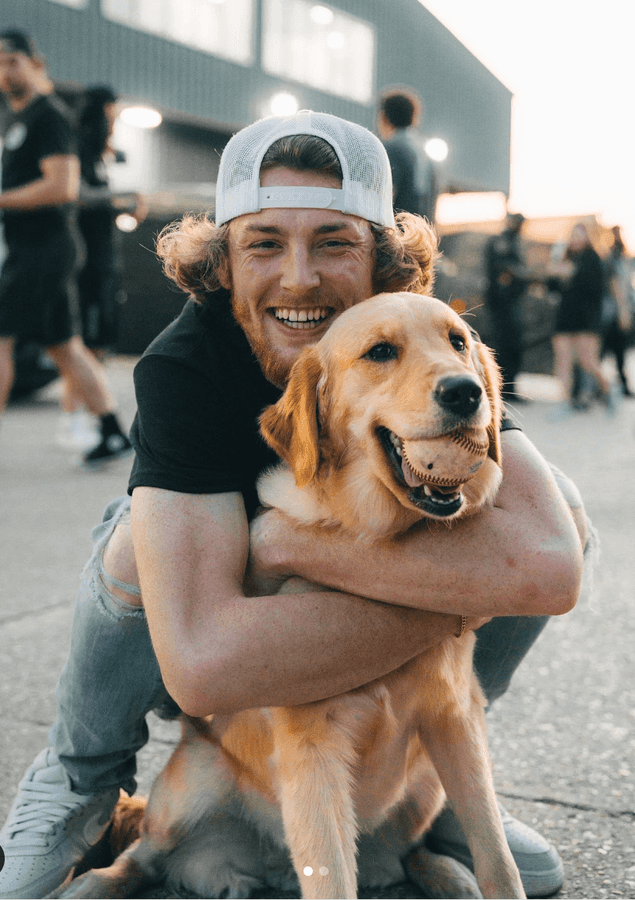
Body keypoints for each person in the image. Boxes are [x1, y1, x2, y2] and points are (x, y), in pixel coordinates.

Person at [0, 110, 586, 900]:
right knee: (132, 539)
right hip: (221, 637)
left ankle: (419, 759)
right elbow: (203, 669)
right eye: (265, 243)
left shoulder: (420, 338)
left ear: (381, 259)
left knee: (559, 508)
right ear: (223, 260)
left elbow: (550, 567)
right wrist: (471, 594)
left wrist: (291, 546)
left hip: (323, 623)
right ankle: (80, 778)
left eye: (335, 242)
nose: (300, 277)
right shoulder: (186, 361)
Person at [0, 30, 132, 465]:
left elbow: (63, 186)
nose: (4, 70)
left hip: (45, 247)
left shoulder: (48, 115)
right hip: (31, 248)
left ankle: (107, 428)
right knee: (64, 346)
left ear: (34, 62)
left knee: (1, 339)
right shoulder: (14, 118)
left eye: (12, 59)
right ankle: (112, 431)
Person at [58, 84, 146, 450]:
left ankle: (83, 418)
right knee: (79, 344)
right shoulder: (77, 144)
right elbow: (75, 194)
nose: (115, 120)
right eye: (113, 111)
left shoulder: (99, 153)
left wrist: (120, 205)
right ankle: (80, 419)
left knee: (84, 345)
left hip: (101, 258)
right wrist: (123, 198)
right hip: (84, 261)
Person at [548, 222, 613, 411]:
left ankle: (608, 389)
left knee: (588, 361)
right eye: (573, 235)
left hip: (585, 317)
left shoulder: (593, 258)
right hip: (565, 316)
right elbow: (552, 288)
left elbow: (597, 289)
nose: (575, 239)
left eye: (579, 235)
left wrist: (573, 273)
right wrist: (555, 273)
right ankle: (564, 401)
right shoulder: (564, 256)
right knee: (563, 359)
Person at [484, 212, 530, 403]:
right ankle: (502, 389)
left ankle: (509, 388)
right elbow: (503, 268)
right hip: (502, 302)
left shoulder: (514, 242)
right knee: (505, 344)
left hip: (512, 301)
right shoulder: (502, 241)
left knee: (513, 345)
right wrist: (524, 274)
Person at [377, 87, 439, 224]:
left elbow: (382, 198)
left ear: (384, 116)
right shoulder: (426, 154)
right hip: (420, 235)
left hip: (397, 235)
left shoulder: (391, 150)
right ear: (414, 117)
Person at [601, 225, 633, 397]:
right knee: (609, 351)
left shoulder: (621, 257)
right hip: (611, 314)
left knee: (616, 352)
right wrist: (623, 311)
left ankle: (617, 385)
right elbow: (615, 286)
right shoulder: (612, 257)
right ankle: (606, 387)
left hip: (615, 312)